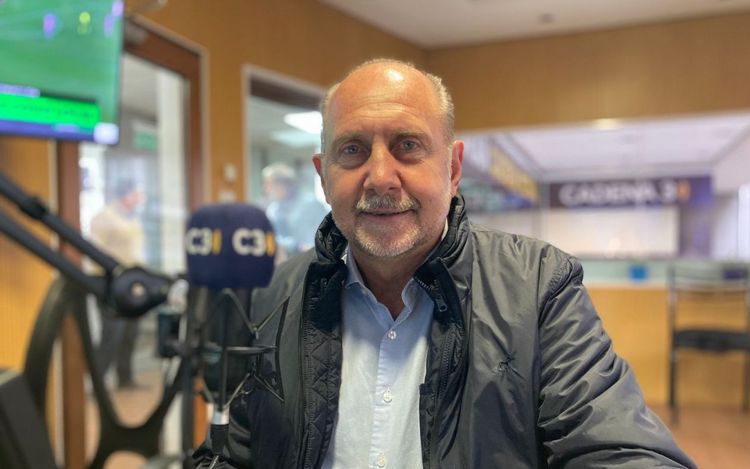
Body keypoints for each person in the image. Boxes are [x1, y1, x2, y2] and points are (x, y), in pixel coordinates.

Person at [194, 59, 694, 468]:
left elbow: (622, 451)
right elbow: (237, 451)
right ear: (324, 177)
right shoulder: (277, 292)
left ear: (453, 169)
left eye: (408, 146)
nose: (380, 177)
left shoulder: (540, 286)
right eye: (353, 150)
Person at [89, 178, 145, 389]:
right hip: (110, 283)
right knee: (112, 334)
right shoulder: (104, 218)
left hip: (132, 283)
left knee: (130, 333)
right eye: (136, 193)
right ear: (126, 195)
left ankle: (125, 378)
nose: (140, 198)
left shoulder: (132, 218)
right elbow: (96, 253)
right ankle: (97, 382)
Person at [261, 162, 328, 261]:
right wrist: (295, 246)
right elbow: (275, 238)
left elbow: (326, 231)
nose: (266, 189)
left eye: (269, 184)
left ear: (283, 185)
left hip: (316, 258)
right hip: (289, 261)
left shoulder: (311, 204)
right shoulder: (273, 210)